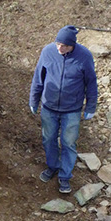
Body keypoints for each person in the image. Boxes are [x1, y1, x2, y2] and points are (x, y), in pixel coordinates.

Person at [29, 25, 98, 194]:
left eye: (64, 46)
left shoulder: (84, 56)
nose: (60, 48)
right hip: (49, 107)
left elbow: (91, 83)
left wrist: (90, 106)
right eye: (58, 44)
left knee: (68, 142)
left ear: (73, 45)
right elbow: (38, 77)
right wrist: (34, 99)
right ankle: (53, 166)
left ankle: (65, 176)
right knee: (48, 139)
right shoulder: (48, 52)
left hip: (72, 110)